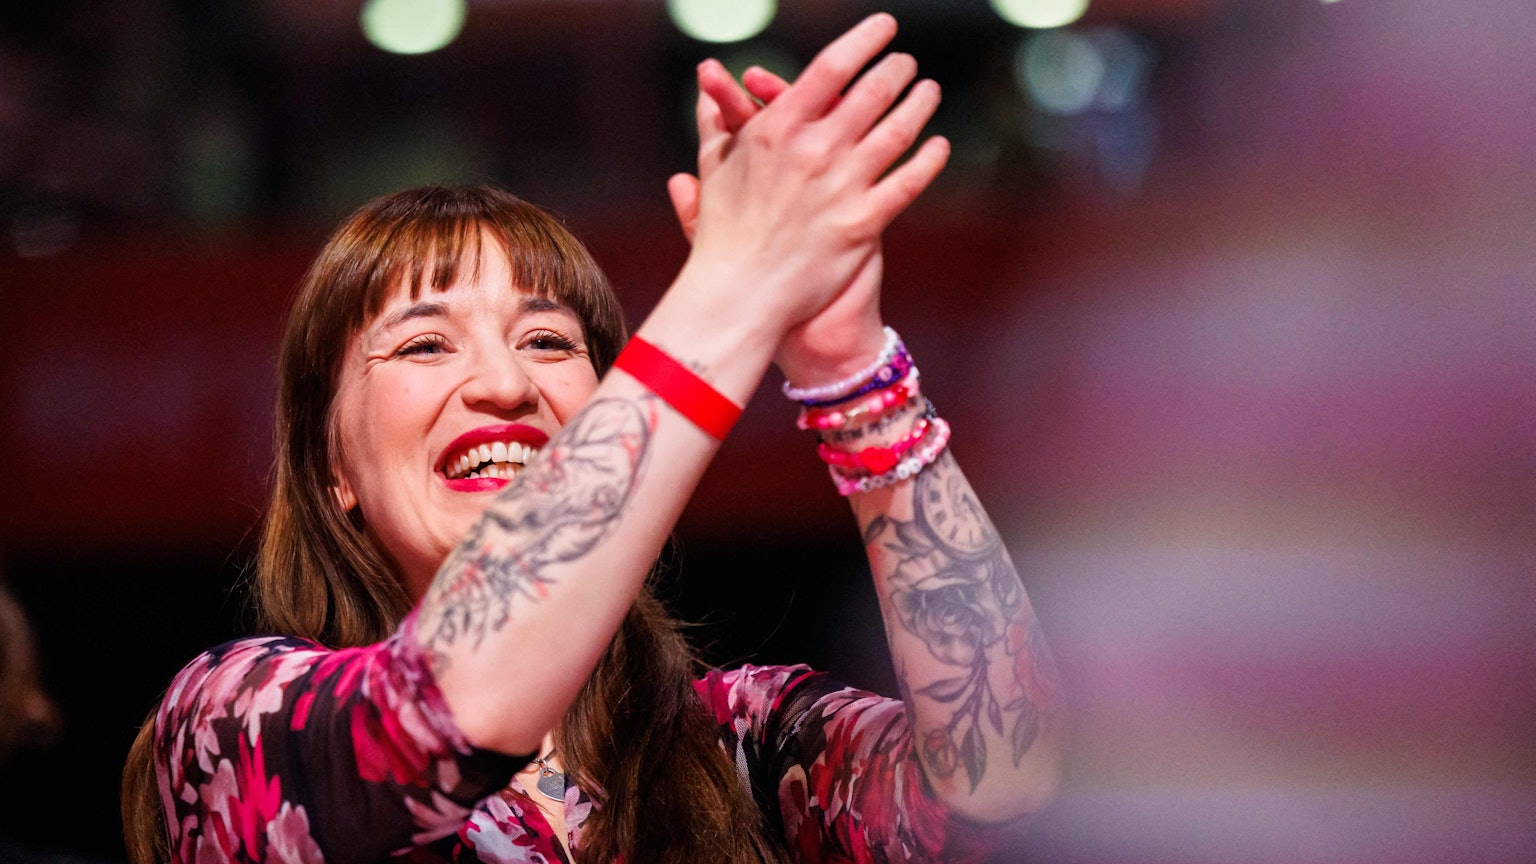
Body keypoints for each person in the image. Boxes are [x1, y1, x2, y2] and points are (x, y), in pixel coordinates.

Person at [122, 14, 1063, 864]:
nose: (504, 385)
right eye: (424, 344)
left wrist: (853, 372)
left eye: (547, 341)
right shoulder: (230, 721)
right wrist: (732, 288)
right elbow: (447, 714)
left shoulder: (732, 742)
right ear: (333, 467)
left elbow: (997, 785)